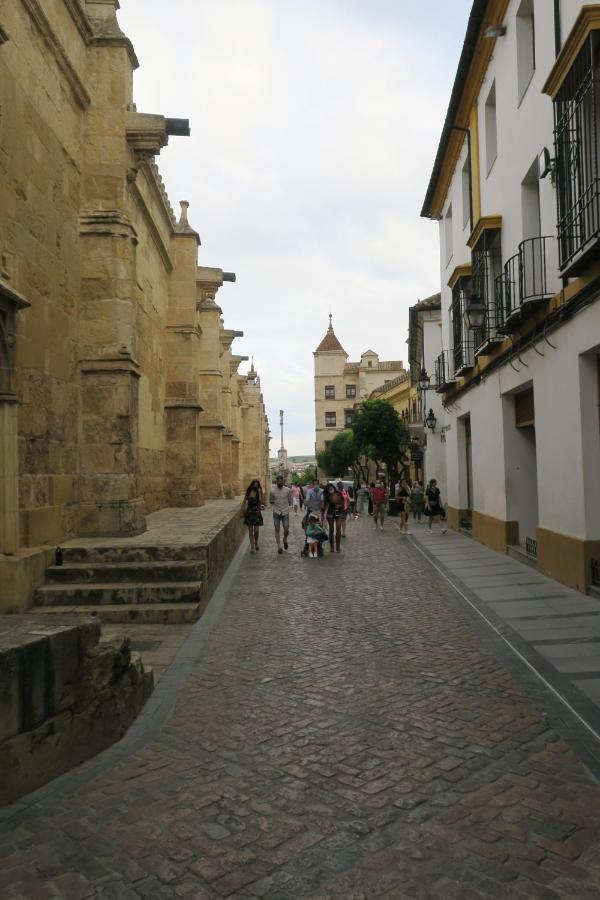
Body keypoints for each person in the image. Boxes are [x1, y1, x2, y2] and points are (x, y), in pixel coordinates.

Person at [270, 474, 293, 553]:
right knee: (277, 529)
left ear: (283, 481)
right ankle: (279, 546)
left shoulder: (288, 490)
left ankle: (285, 539)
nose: (280, 481)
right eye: (278, 480)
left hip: (285, 512)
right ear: (276, 481)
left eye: (281, 480)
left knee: (286, 530)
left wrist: (289, 508)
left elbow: (290, 501)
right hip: (276, 512)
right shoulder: (272, 491)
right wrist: (275, 506)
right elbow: (271, 501)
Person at [241, 479, 264, 553]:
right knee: (250, 530)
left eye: (257, 484)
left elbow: (260, 503)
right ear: (252, 485)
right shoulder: (248, 492)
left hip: (256, 512)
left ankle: (256, 542)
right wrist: (242, 510)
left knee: (256, 531)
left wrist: (260, 493)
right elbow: (244, 502)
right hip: (249, 512)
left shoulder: (259, 492)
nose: (256, 485)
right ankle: (252, 546)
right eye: (254, 484)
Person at [323, 483, 344, 552]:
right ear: (327, 490)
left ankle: (338, 547)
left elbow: (343, 502)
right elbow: (324, 505)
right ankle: (332, 547)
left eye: (331, 488)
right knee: (331, 530)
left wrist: (340, 505)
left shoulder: (338, 493)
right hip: (330, 513)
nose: (331, 490)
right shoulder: (326, 495)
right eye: (329, 489)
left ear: (334, 488)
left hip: (339, 512)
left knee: (338, 529)